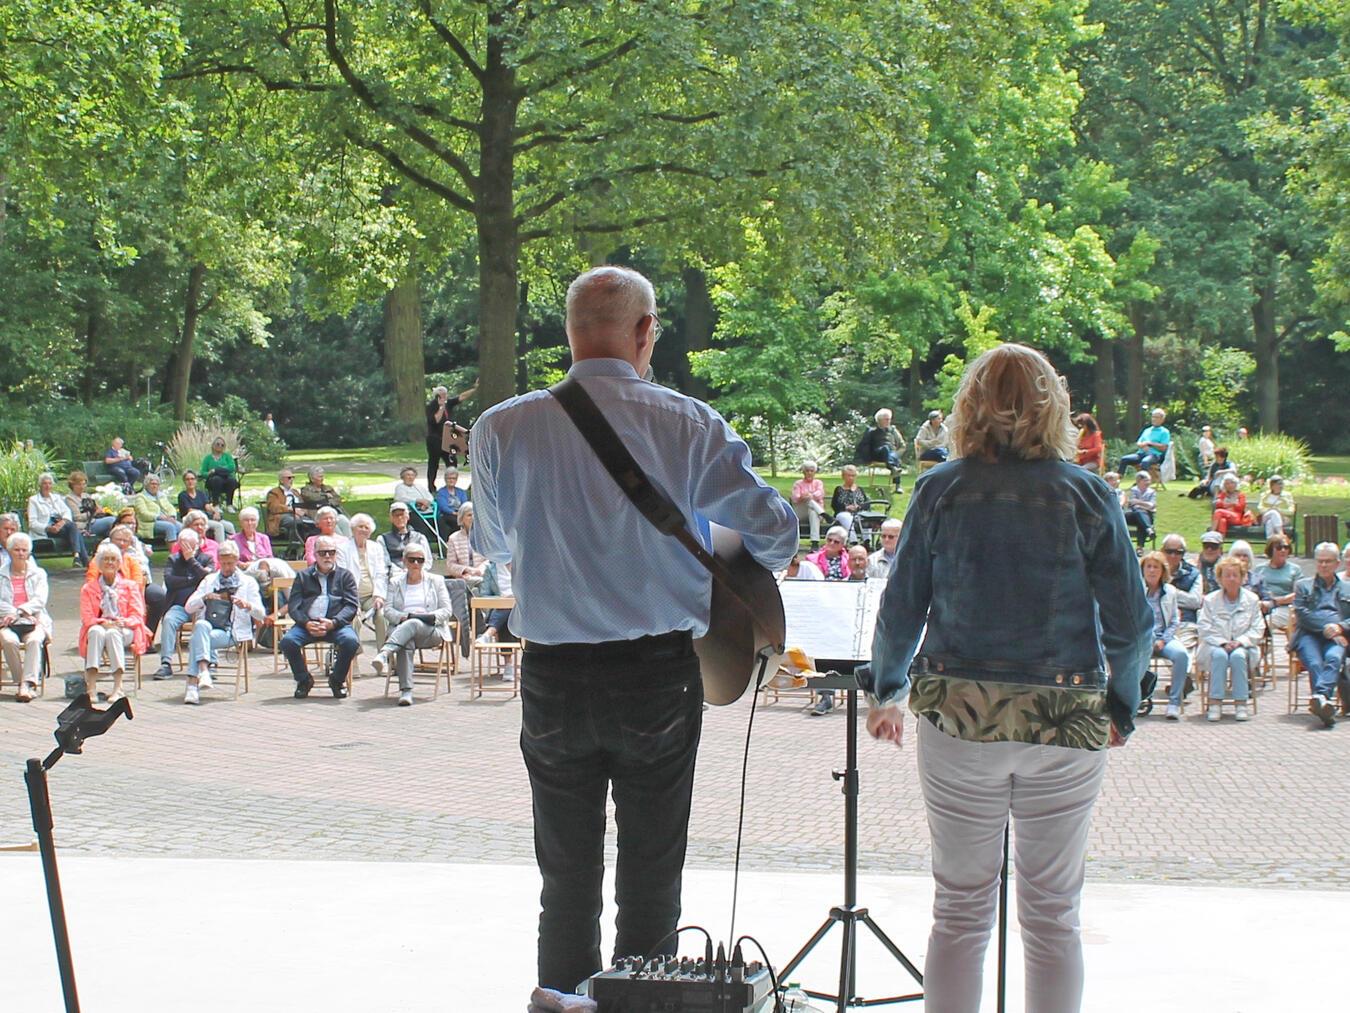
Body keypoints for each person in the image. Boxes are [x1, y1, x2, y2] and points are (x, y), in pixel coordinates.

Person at [469, 265, 797, 996]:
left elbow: (493, 547)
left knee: (566, 874)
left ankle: (563, 1001)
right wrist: (719, 558)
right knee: (651, 871)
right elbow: (777, 533)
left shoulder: (502, 425)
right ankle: (642, 1004)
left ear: (570, 332)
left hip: (552, 673)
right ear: (646, 332)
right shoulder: (685, 422)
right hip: (656, 675)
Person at [862, 343, 1151, 1013]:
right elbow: (1132, 625)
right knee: (1053, 914)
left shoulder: (940, 489)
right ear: (1058, 408)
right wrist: (1122, 707)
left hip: (958, 717)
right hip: (1065, 720)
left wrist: (886, 689)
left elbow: (901, 607)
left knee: (960, 908)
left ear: (968, 406)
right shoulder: (1089, 494)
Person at [181, 541, 264, 704]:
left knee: (195, 640)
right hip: (209, 628)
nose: (227, 567)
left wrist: (247, 606)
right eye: (223, 563)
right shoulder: (210, 580)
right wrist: (204, 598)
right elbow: (188, 607)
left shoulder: (247, 582)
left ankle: (193, 684)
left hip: (232, 631)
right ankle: (203, 671)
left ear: (237, 560)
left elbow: (261, 613)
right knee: (200, 626)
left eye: (230, 563)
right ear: (219, 560)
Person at [370, 546, 453, 705]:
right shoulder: (395, 582)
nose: (416, 563)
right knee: (406, 639)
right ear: (404, 561)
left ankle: (385, 653)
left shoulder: (436, 581)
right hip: (403, 630)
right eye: (412, 560)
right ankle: (406, 691)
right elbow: (388, 610)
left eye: (420, 560)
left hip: (431, 631)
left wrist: (429, 617)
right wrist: (404, 617)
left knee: (414, 622)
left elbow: (447, 610)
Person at [280, 535, 360, 699]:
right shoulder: (303, 576)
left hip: (336, 625)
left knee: (351, 642)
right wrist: (306, 623)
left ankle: (337, 680)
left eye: (331, 552)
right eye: (323, 553)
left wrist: (333, 622)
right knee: (287, 642)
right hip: (307, 625)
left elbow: (351, 606)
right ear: (315, 555)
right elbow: (294, 606)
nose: (327, 557)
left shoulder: (345, 576)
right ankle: (304, 680)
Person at [79, 543, 150, 702]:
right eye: (105, 559)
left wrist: (122, 621)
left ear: (119, 564)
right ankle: (91, 688)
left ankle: (118, 687)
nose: (110, 563)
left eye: (113, 559)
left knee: (112, 634)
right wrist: (103, 622)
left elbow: (138, 615)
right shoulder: (88, 589)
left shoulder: (130, 586)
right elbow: (87, 618)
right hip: (99, 626)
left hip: (124, 628)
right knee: (95, 632)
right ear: (99, 564)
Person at [1198, 555, 1263, 722]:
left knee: (1238, 656)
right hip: (1215, 645)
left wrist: (1240, 641)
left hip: (1244, 646)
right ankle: (1214, 703)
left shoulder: (1252, 600)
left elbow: (1258, 628)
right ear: (1220, 578)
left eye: (1235, 575)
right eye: (1227, 575)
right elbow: (1204, 628)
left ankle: (1241, 703)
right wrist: (1223, 642)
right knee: (1219, 656)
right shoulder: (1210, 600)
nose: (1231, 579)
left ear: (1243, 577)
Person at [1293, 543, 1349, 728]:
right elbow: (1302, 613)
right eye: (1320, 561)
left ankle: (1320, 699)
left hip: (1338, 637)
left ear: (1337, 563)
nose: (1323, 565)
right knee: (1315, 662)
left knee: (1333, 657)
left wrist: (1340, 626)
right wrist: (1327, 628)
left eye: (1328, 561)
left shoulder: (1347, 588)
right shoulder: (1303, 586)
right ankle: (1324, 702)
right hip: (1308, 636)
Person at [153, 528, 214, 680]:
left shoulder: (207, 559)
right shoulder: (173, 560)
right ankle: (166, 663)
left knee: (207, 624)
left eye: (190, 546)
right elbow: (170, 581)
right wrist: (193, 580)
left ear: (197, 545)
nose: (186, 550)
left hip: (202, 608)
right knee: (168, 620)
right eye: (184, 546)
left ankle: (210, 665)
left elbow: (209, 579)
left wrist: (192, 561)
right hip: (179, 606)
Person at [0, 533, 51, 701]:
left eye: (24, 550)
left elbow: (40, 600)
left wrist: (19, 611)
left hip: (34, 620)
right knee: (8, 640)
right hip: (7, 622)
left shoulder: (39, 573)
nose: (21, 553)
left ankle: (26, 685)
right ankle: (21, 681)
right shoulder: (1, 574)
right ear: (9, 551)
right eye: (16, 550)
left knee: (35, 640)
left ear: (29, 552)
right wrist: (12, 614)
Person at [1140, 551, 1190, 720]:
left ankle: (1174, 702)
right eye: (1148, 567)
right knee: (1136, 656)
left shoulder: (1170, 592)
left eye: (1156, 567)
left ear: (1162, 571)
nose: (1152, 571)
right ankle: (1139, 698)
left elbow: (1175, 621)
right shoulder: (1136, 591)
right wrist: (1151, 638)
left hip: (1165, 638)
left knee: (1182, 655)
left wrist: (1163, 640)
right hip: (1143, 639)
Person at [339, 513, 389, 646]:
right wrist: (352, 601)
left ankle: (383, 654)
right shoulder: (343, 549)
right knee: (354, 618)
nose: (363, 530)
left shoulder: (376, 548)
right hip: (350, 596)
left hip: (370, 596)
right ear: (353, 529)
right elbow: (343, 577)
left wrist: (379, 596)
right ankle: (353, 655)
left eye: (366, 527)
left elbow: (381, 574)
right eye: (360, 526)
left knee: (382, 615)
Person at [27, 472, 90, 566]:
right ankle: (83, 560)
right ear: (40, 485)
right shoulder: (34, 500)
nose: (47, 486)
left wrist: (62, 522)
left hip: (61, 527)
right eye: (45, 483)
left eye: (49, 483)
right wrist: (48, 528)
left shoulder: (56, 498)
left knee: (73, 527)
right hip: (46, 530)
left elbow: (66, 512)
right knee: (75, 529)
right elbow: (32, 523)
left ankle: (78, 557)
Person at [426, 381, 478, 490]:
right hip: (434, 439)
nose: (445, 396)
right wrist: (441, 407)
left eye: (445, 394)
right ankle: (431, 486)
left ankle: (451, 483)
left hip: (447, 438)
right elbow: (435, 420)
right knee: (433, 463)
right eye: (442, 395)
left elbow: (461, 397)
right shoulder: (432, 406)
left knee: (452, 461)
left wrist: (474, 388)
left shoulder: (448, 403)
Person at [1161, 534, 1204, 653]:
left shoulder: (1193, 574)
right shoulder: (1152, 570)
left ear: (1183, 553)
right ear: (1162, 551)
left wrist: (1169, 592)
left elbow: (1195, 601)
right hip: (1157, 623)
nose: (1173, 555)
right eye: (1169, 551)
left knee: (1183, 655)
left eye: (1178, 552)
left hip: (1185, 623)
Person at [1254, 534, 1298, 634]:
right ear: (1271, 550)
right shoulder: (1259, 569)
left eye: (1286, 547)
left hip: (1285, 607)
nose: (1283, 550)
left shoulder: (1295, 570)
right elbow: (1253, 589)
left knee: (1270, 620)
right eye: (1279, 548)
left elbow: (1298, 593)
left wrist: (1279, 601)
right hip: (1262, 605)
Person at [177, 470, 235, 542]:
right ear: (184, 482)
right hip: (193, 520)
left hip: (206, 518)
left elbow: (207, 506)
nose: (190, 481)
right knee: (218, 526)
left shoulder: (201, 493)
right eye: (187, 479)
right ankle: (221, 550)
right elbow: (190, 511)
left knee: (229, 526)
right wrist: (204, 514)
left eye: (192, 479)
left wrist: (215, 512)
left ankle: (234, 549)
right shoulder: (182, 495)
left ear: (196, 480)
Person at [856, 409, 905, 487]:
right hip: (878, 454)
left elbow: (902, 446)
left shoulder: (893, 431)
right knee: (885, 448)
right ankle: (893, 468)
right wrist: (867, 458)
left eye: (889, 419)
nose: (888, 421)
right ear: (879, 420)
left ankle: (896, 482)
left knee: (895, 458)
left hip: (891, 454)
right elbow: (864, 445)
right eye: (886, 419)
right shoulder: (872, 431)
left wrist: (897, 454)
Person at [298, 466, 351, 536]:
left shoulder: (328, 488)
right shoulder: (305, 490)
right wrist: (326, 496)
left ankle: (350, 542)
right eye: (320, 477)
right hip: (319, 516)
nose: (322, 479)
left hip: (334, 513)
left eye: (322, 476)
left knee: (344, 520)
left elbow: (338, 499)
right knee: (335, 528)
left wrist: (328, 500)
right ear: (312, 479)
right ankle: (342, 543)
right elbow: (312, 498)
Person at [380, 502, 432, 572]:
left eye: (402, 515)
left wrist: (416, 571)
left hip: (417, 573)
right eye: (396, 515)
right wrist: (399, 571)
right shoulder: (383, 539)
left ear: (408, 516)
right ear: (391, 518)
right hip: (394, 575)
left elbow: (427, 560)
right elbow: (384, 561)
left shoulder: (420, 538)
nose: (400, 518)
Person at [444, 501, 486, 585]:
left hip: (484, 577)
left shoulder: (485, 535)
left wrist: (479, 570)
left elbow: (490, 559)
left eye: (475, 515)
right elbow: (450, 564)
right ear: (461, 518)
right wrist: (466, 570)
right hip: (463, 578)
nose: (473, 518)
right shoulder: (453, 538)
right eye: (469, 515)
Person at [133, 473, 182, 544]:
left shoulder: (161, 496)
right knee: (170, 527)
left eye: (157, 484)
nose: (154, 486)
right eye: (152, 484)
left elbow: (170, 507)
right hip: (150, 523)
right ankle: (173, 553)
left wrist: (172, 516)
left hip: (166, 520)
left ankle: (181, 550)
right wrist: (159, 517)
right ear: (146, 485)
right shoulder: (140, 497)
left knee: (181, 527)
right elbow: (143, 514)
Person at [1118, 408, 1171, 475]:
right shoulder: (1147, 430)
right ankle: (1118, 479)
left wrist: (1149, 444)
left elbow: (1164, 447)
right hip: (1141, 454)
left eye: (1156, 417)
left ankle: (1143, 481)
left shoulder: (1164, 432)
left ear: (1162, 419)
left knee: (1145, 462)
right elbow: (1138, 443)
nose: (1154, 419)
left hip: (1155, 455)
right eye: (1153, 417)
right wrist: (1143, 445)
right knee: (1124, 459)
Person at [66, 470, 116, 539]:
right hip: (84, 525)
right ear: (72, 485)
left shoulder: (86, 495)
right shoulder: (69, 498)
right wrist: (93, 513)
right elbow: (77, 517)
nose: (82, 487)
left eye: (84, 484)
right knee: (112, 520)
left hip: (94, 521)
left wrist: (100, 510)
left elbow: (97, 507)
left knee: (114, 525)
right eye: (79, 484)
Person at [265, 468, 308, 540]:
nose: (291, 480)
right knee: (295, 521)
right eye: (289, 478)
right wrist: (291, 510)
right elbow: (274, 507)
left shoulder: (295, 492)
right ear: (281, 480)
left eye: (293, 477)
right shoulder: (274, 492)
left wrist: (303, 511)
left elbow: (302, 504)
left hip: (298, 514)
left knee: (313, 522)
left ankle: (309, 544)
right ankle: (294, 546)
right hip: (281, 516)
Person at [790, 461, 827, 544]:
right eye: (807, 471)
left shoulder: (818, 483)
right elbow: (795, 498)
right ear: (803, 472)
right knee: (809, 501)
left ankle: (814, 542)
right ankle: (824, 514)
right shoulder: (798, 483)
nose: (809, 473)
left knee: (813, 511)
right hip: (801, 513)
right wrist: (804, 497)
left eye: (812, 471)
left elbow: (820, 494)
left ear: (815, 472)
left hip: (815, 514)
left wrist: (810, 495)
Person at [201, 436, 241, 509]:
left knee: (231, 481)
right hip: (213, 481)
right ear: (213, 445)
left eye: (222, 445)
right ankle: (216, 505)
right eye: (218, 444)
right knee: (217, 479)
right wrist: (209, 473)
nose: (220, 446)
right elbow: (203, 472)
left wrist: (216, 470)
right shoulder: (208, 458)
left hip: (227, 479)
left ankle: (229, 505)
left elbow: (232, 467)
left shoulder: (227, 456)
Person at [831, 465, 870, 540]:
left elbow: (867, 504)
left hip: (859, 513)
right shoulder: (839, 489)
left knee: (866, 517)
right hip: (843, 513)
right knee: (847, 517)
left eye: (853, 476)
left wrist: (859, 507)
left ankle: (867, 541)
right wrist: (846, 507)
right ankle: (853, 540)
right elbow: (834, 505)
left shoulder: (860, 489)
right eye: (848, 475)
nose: (851, 478)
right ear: (843, 476)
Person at [1123, 471, 1156, 547]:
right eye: (1145, 480)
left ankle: (1140, 547)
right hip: (1132, 516)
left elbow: (1151, 505)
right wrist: (1144, 505)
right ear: (1138, 481)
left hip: (1147, 516)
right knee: (1138, 513)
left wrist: (1138, 502)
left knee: (1141, 520)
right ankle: (1148, 530)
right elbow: (1133, 504)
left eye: (1149, 480)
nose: (1148, 482)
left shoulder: (1152, 492)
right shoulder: (1133, 490)